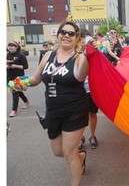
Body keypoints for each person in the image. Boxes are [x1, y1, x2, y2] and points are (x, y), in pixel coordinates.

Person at [13, 21, 89, 186]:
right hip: (53, 110)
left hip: (75, 110)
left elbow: (83, 73)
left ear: (77, 38)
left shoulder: (80, 58)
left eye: (71, 33)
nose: (66, 35)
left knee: (68, 153)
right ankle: (80, 156)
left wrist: (89, 56)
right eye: (63, 32)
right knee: (58, 152)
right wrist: (24, 82)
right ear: (58, 34)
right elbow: (36, 78)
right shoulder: (49, 55)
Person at [78, 28, 99, 151]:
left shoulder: (92, 49)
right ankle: (80, 138)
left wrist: (95, 46)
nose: (82, 41)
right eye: (80, 38)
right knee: (80, 116)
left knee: (92, 113)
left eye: (83, 38)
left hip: (90, 88)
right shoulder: (72, 52)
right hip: (77, 89)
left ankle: (92, 135)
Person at [7, 40, 29, 117]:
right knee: (18, 92)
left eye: (12, 46)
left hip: (19, 77)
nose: (10, 47)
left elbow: (26, 66)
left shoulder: (21, 55)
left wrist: (15, 66)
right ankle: (26, 101)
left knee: (15, 92)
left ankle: (14, 110)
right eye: (9, 46)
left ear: (16, 47)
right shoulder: (7, 55)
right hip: (10, 77)